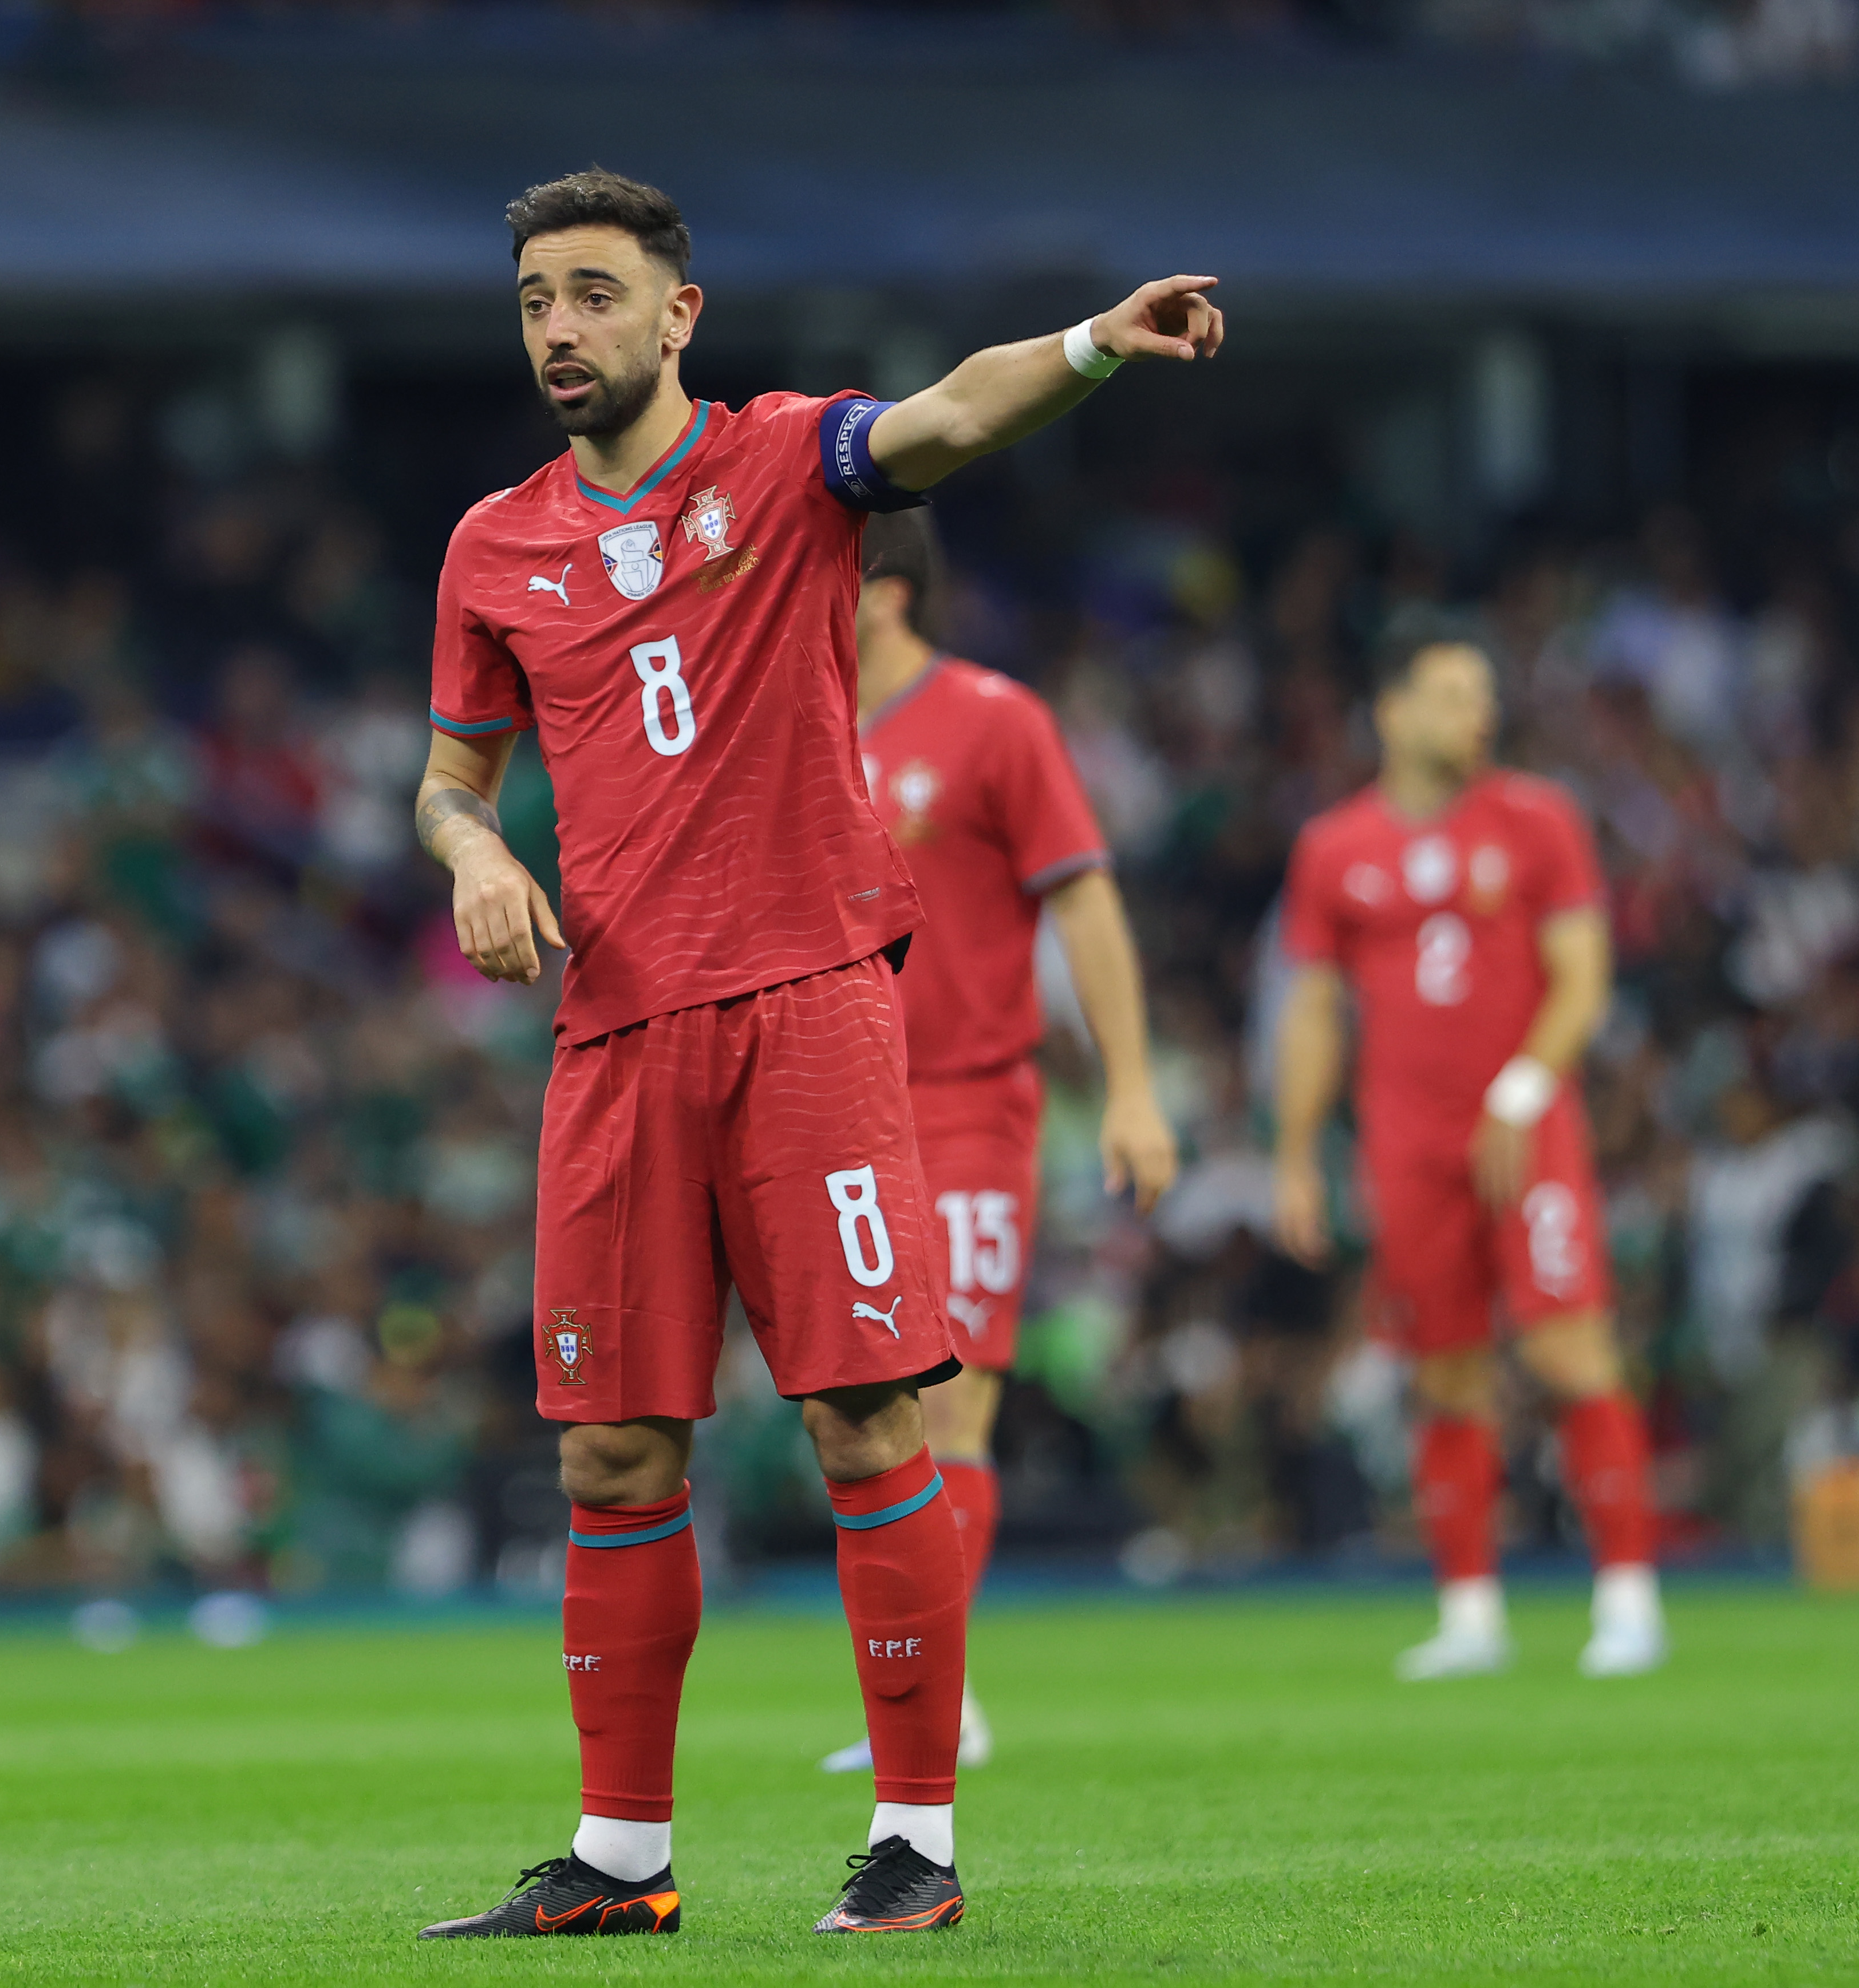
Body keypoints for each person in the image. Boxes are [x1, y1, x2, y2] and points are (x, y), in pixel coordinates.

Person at [412, 168, 1222, 1939]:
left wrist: (1095, 343)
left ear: (676, 314)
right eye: (540, 298)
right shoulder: (494, 546)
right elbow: (451, 777)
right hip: (616, 1037)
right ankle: (621, 1862)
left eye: (597, 295)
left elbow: (946, 410)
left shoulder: (785, 464)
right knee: (610, 1455)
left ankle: (916, 1841)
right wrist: (477, 854)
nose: (562, 329)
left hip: (808, 1008)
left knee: (868, 1415)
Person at [815, 507, 1178, 1778]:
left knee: (950, 1404)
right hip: (827, 1114)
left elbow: (1080, 893)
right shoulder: (786, 723)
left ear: (888, 588)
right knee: (858, 1410)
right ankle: (910, 1690)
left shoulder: (992, 721)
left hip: (968, 1103)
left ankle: (934, 1703)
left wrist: (1128, 1087)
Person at [1270, 637, 1667, 1682]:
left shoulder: (1539, 819)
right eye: (1450, 696)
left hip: (1524, 1130)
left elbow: (1582, 979)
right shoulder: (1332, 847)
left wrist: (1522, 1091)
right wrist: (1297, 1152)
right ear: (1390, 712)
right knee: (1444, 1370)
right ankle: (1470, 1612)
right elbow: (1312, 1010)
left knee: (1567, 1349)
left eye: (1483, 695)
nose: (1474, 714)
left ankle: (1628, 1597)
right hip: (1407, 1145)